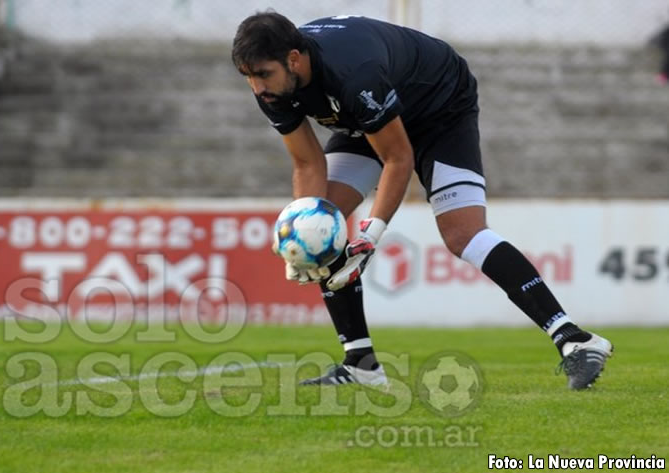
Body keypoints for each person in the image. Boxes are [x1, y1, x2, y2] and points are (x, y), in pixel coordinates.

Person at [231, 12, 613, 390]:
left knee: (463, 234)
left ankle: (574, 338)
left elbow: (399, 158)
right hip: (368, 119)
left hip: (438, 108)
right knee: (322, 226)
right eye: (248, 76)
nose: (256, 87)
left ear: (294, 59)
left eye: (263, 74)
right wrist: (305, 236)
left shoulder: (353, 73)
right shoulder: (272, 85)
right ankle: (361, 364)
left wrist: (370, 235)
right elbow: (307, 163)